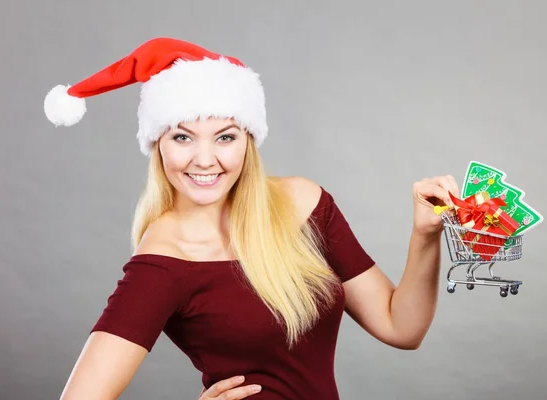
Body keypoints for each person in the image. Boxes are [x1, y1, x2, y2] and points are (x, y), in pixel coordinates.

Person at [44, 37, 460, 400]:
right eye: (182, 136)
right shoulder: (165, 258)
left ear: (248, 140)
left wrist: (425, 232)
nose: (205, 160)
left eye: (225, 136)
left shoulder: (304, 205)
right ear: (158, 144)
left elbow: (400, 328)